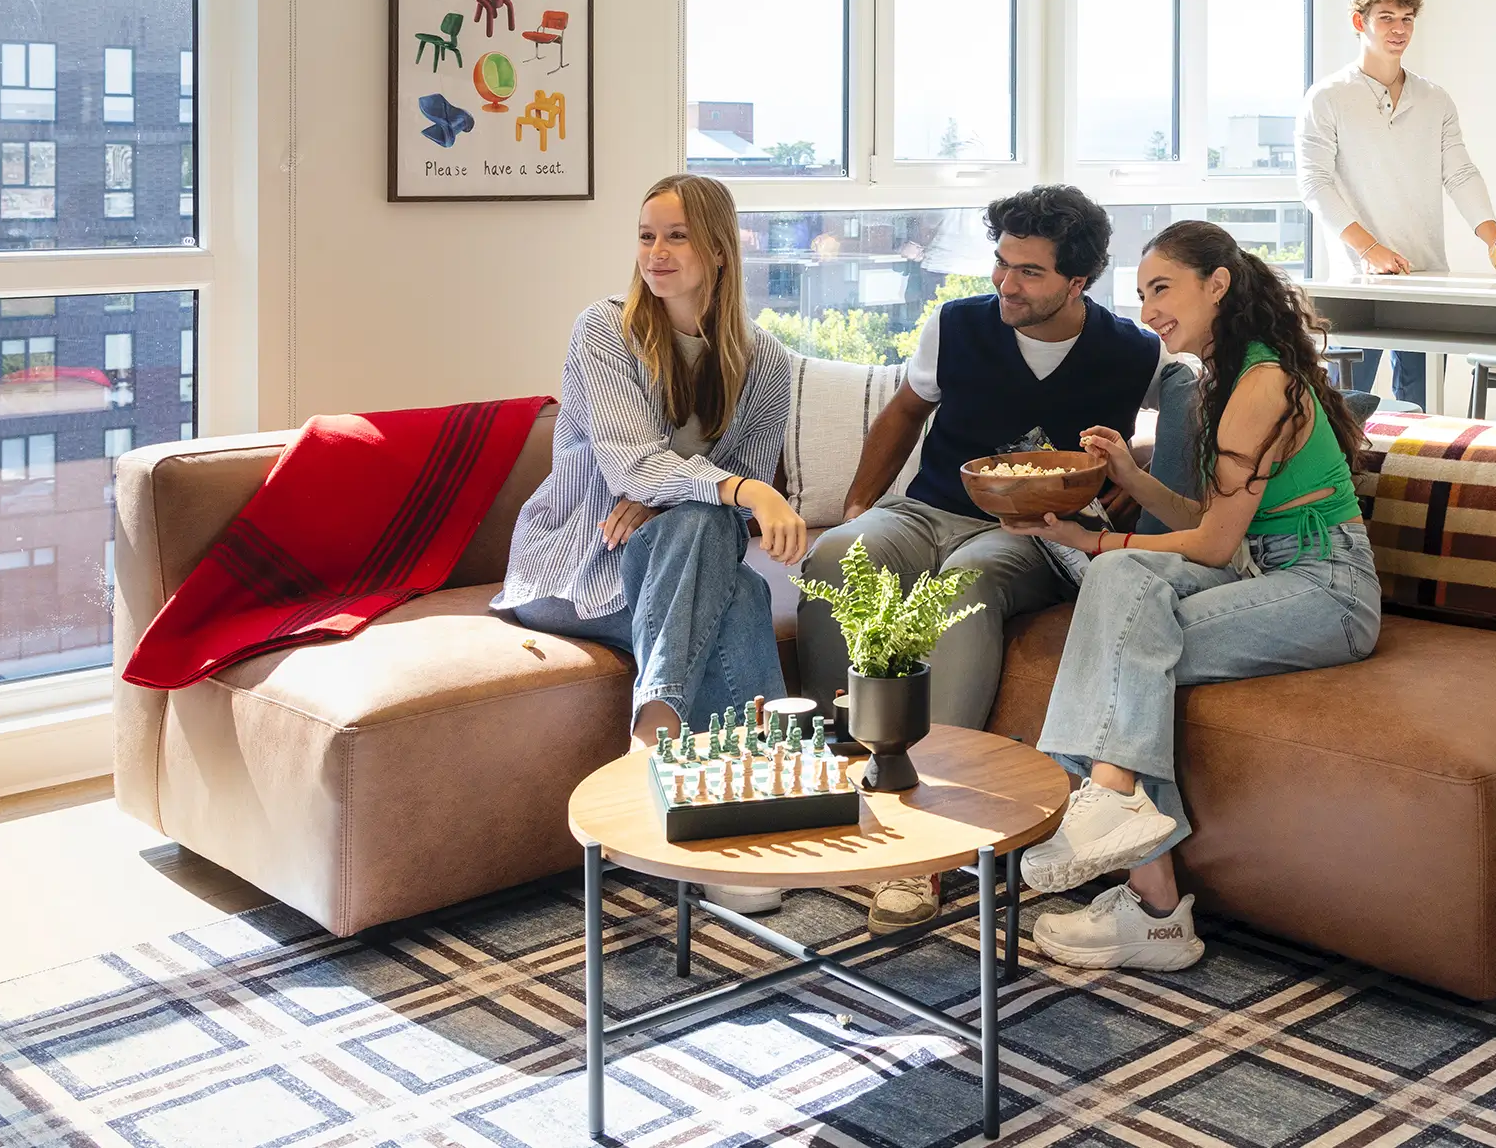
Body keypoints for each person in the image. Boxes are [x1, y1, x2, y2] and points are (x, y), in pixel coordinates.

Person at [997, 221, 1381, 971]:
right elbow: (1216, 525)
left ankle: (1149, 894)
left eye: (1162, 289)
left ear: (1219, 283)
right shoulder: (1227, 381)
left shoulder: (1263, 383)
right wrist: (1131, 484)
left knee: (1126, 633)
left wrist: (1096, 540)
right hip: (1259, 570)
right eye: (1141, 295)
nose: (1149, 312)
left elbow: (1208, 548)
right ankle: (1134, 855)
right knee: (1120, 598)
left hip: (1326, 589)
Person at [800, 184, 1163, 931]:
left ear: (1077, 280)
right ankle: (841, 770)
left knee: (963, 586)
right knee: (838, 556)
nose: (1005, 284)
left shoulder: (1136, 351)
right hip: (929, 508)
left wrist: (1132, 481)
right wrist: (862, 504)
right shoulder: (956, 324)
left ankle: (931, 840)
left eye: (1028, 272)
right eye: (1000, 264)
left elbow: (1185, 425)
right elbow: (905, 410)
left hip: (1032, 534)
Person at [494, 173, 807, 912]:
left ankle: (696, 808)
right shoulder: (605, 330)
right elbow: (634, 465)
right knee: (727, 564)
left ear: (719, 250)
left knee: (723, 560)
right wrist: (726, 489)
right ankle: (733, 803)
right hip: (577, 563)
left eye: (676, 236)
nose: (656, 253)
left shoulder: (765, 364)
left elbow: (712, 508)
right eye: (645, 236)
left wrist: (680, 497)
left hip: (675, 561)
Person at [1294, 0, 1496, 409]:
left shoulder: (1434, 99)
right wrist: (1370, 249)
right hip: (1356, 283)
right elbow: (1314, 184)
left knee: (1425, 412)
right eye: (1386, 18)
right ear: (1359, 22)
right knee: (1345, 413)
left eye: (1407, 19)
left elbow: (1460, 172)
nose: (1399, 29)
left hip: (1427, 279)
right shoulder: (1327, 97)